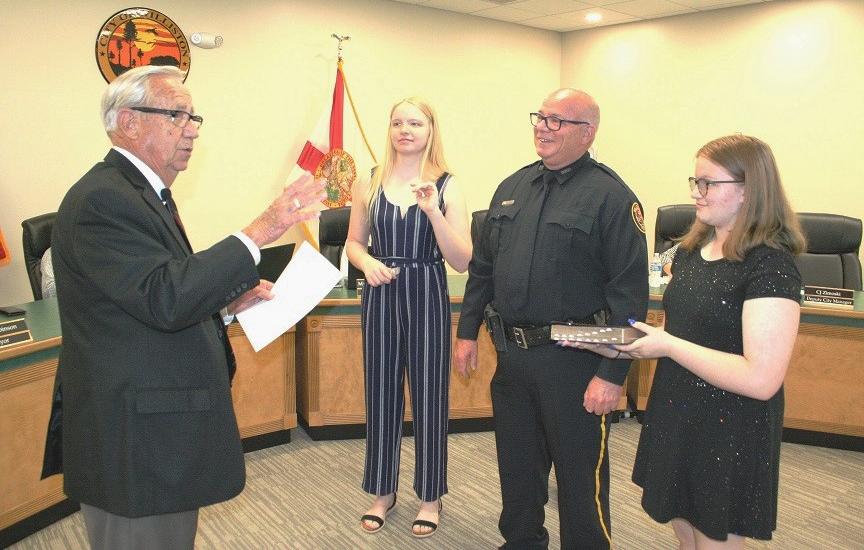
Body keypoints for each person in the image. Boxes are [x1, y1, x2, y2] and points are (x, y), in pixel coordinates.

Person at [41, 64, 326, 550]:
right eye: (177, 115)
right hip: (134, 442)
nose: (192, 129)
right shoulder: (102, 200)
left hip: (156, 432)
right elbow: (165, 297)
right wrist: (262, 228)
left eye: (194, 117)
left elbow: (154, 300)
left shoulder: (142, 194)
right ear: (128, 123)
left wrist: (226, 307)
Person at [565, 134, 805, 549]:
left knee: (714, 539)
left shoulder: (771, 266)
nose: (696, 193)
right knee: (684, 534)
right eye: (694, 181)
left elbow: (762, 378)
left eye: (708, 183)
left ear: (749, 190)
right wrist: (614, 344)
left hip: (729, 425)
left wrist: (667, 346)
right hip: (678, 410)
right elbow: (684, 335)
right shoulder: (694, 250)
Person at [454, 88, 649, 550]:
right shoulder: (511, 187)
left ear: (588, 133)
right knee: (517, 467)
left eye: (557, 120)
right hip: (513, 357)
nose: (543, 126)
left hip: (576, 359)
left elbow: (628, 295)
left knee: (580, 476)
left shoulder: (611, 196)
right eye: (540, 117)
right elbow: (483, 269)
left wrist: (612, 374)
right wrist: (465, 334)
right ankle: (521, 542)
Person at [346, 96, 471, 538]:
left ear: (430, 129)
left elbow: (462, 259)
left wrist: (433, 210)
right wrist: (366, 264)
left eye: (415, 122)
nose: (405, 130)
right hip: (380, 294)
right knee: (380, 394)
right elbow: (353, 243)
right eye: (397, 121)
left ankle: (430, 496)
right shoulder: (370, 180)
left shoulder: (447, 184)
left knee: (429, 397)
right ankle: (382, 492)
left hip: (426, 290)